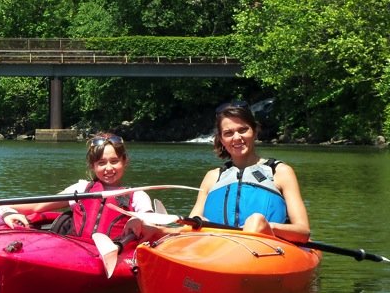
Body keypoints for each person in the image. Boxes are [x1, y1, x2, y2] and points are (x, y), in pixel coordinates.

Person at [126, 101, 311, 243]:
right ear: (221, 139)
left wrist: (265, 227)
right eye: (228, 133)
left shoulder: (279, 172)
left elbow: (303, 231)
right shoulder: (213, 177)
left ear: (255, 132)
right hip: (217, 249)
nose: (237, 138)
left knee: (255, 220)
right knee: (201, 219)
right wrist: (158, 231)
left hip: (267, 248)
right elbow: (194, 227)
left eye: (243, 130)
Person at [0, 132, 152, 240]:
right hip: (76, 251)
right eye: (101, 163)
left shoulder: (137, 195)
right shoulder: (81, 189)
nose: (108, 168)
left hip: (114, 252)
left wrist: (139, 220)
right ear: (92, 166)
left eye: (114, 161)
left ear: (124, 162)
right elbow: (38, 206)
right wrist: (5, 209)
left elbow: (150, 219)